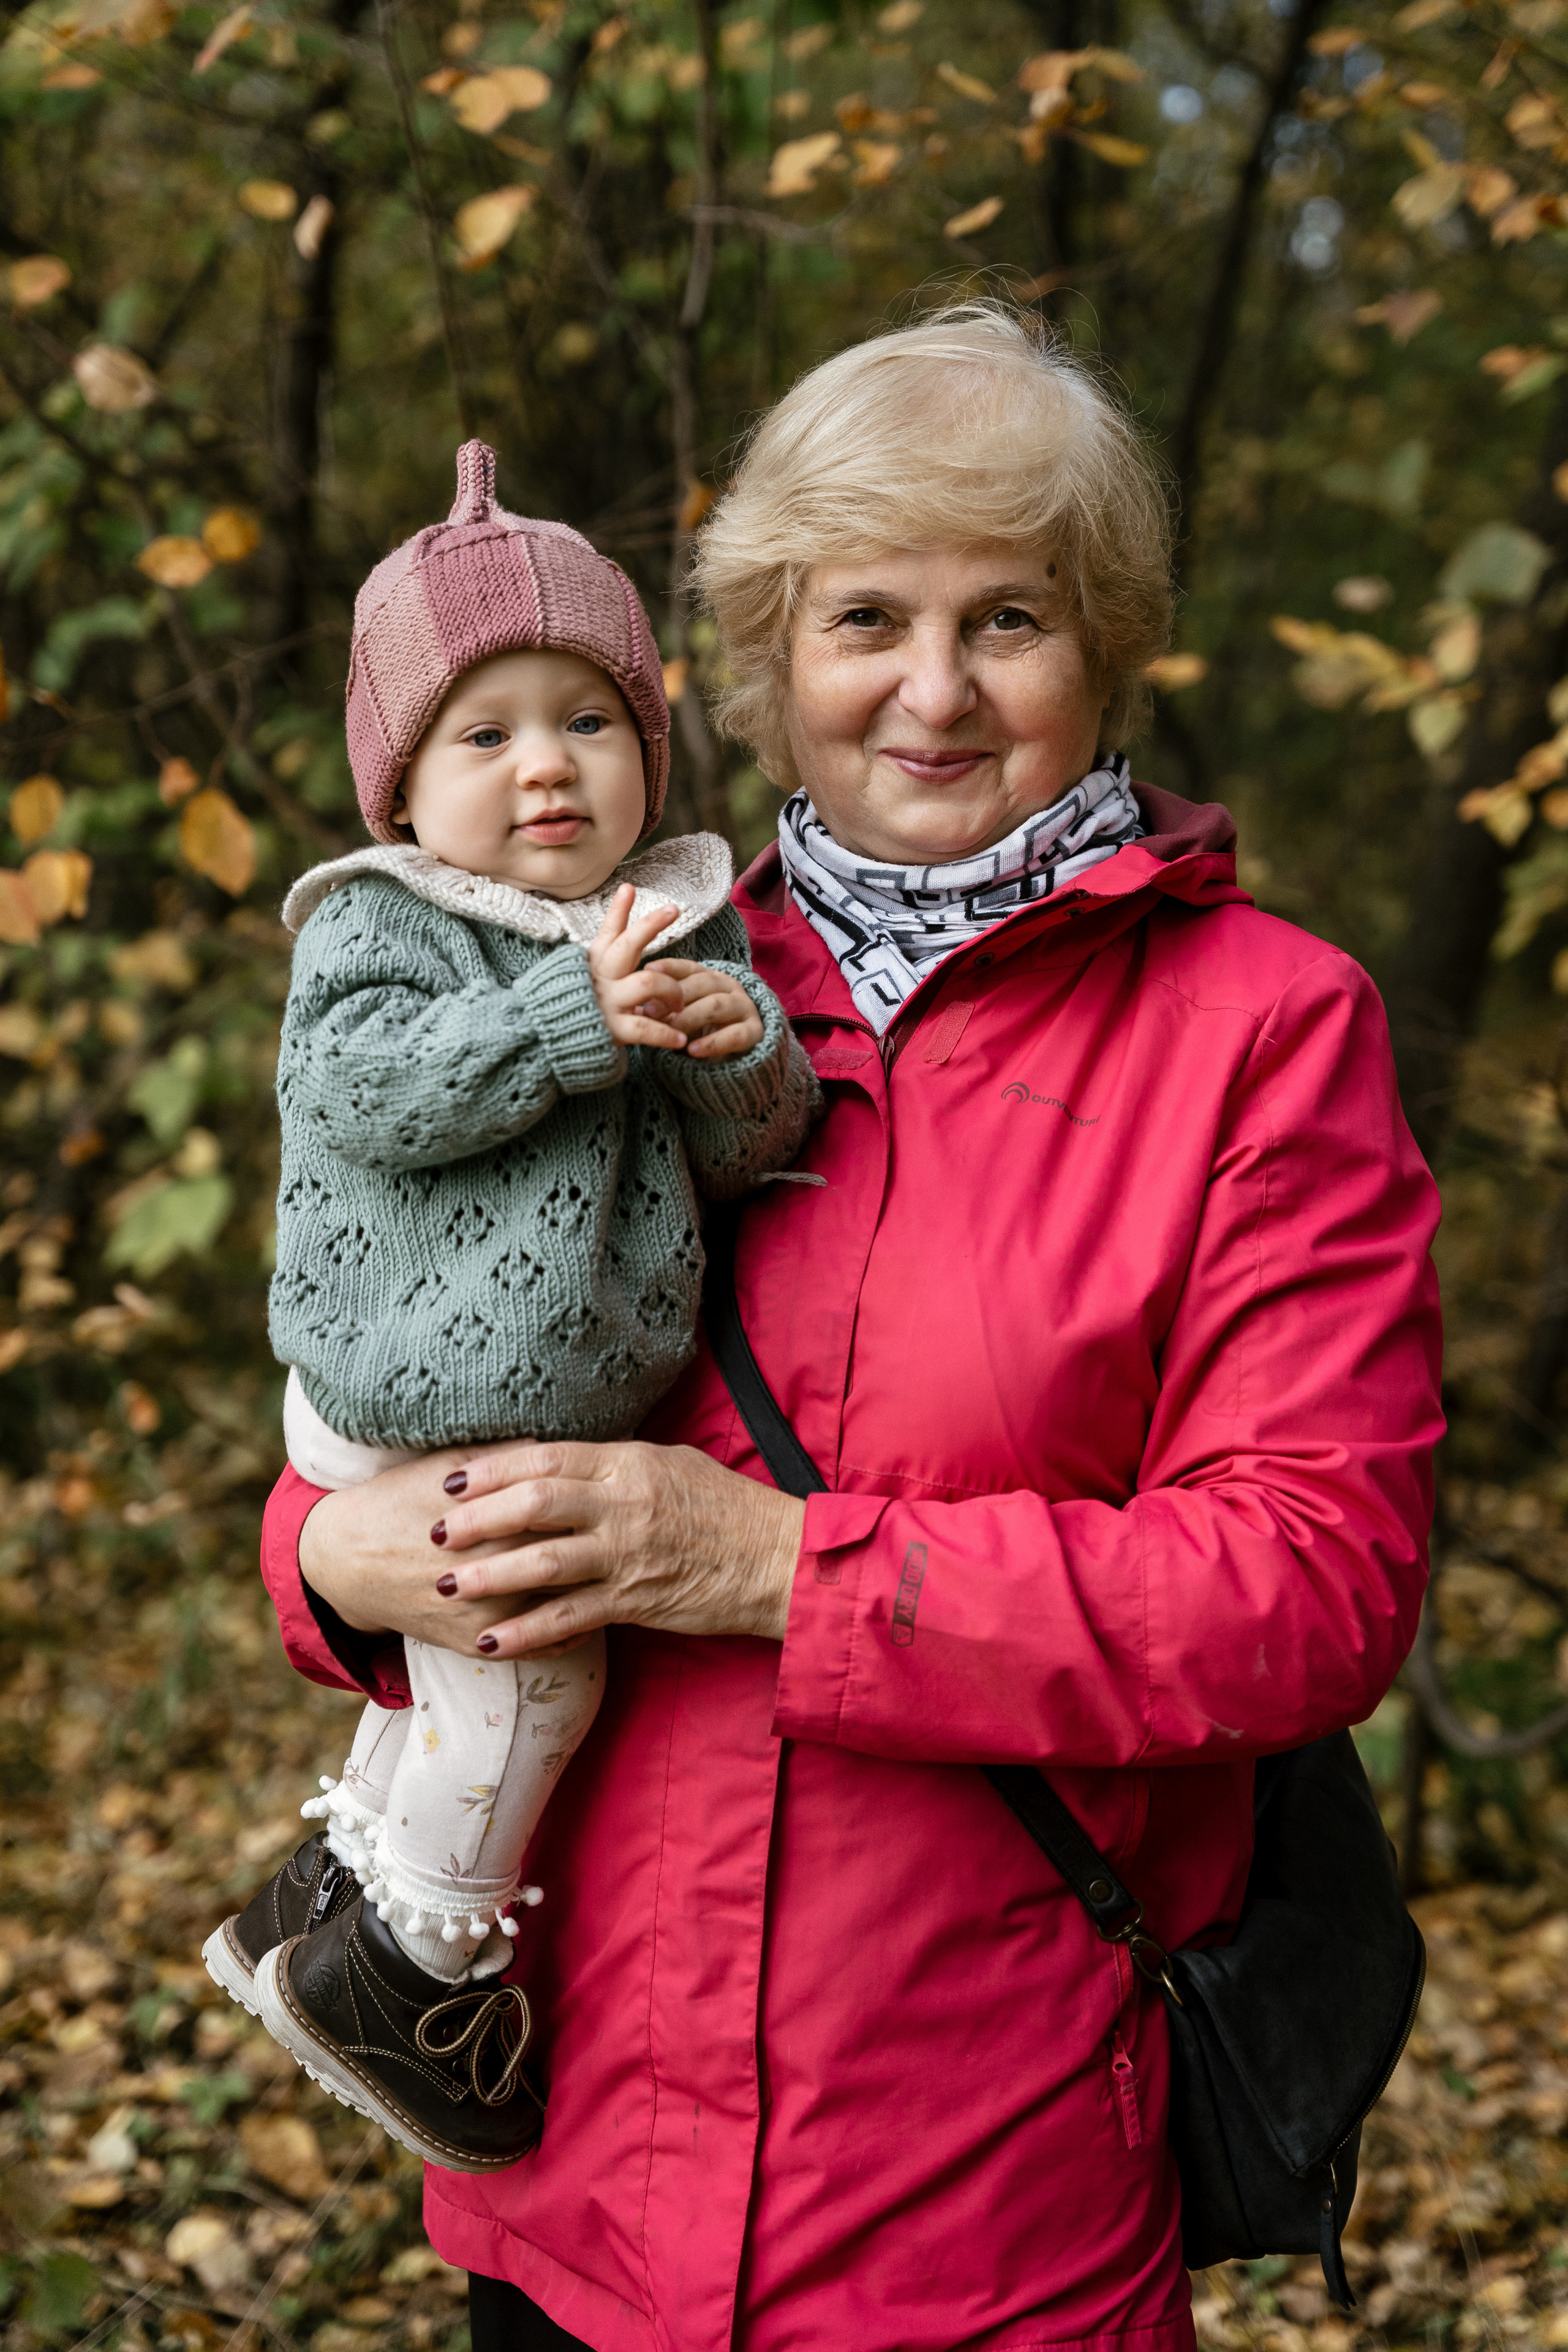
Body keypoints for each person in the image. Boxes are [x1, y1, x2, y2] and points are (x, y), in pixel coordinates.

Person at [249, 305, 1444, 2352]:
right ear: (769, 655)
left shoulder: (1262, 1029)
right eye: (865, 614)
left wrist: (778, 1569)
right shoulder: (597, 965)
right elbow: (376, 1356)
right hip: (573, 2208)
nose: (932, 693)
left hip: (989, 2210)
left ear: (1116, 640)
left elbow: (1313, 1590)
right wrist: (321, 1558)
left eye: (1012, 620)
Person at [203, 442, 818, 2173]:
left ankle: (325, 1909)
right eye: (487, 733)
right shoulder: (386, 918)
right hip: (413, 1369)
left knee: (456, 1686)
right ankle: (421, 1969)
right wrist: (567, 1022)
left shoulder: (677, 917)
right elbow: (366, 1094)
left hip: (543, 1384)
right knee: (532, 1685)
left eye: (590, 721)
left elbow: (755, 1153)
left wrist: (732, 1053)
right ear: (402, 785)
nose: (547, 764)